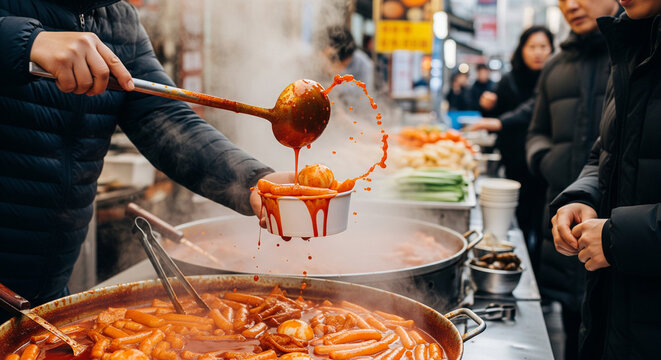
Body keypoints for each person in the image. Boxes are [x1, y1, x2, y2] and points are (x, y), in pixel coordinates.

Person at [0, 0, 291, 317]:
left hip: (44, 294)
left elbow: (164, 119)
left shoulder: (119, 21)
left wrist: (253, 179)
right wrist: (25, 41)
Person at [549, 0, 661, 358]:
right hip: (615, 307)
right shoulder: (632, 44)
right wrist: (581, 196)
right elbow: (607, 152)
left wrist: (616, 238)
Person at [525, 1, 620, 359]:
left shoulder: (630, 56)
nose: (572, 5)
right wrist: (548, 163)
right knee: (571, 329)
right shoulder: (555, 68)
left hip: (621, 240)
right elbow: (536, 132)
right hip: (568, 221)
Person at [468, 27, 554, 251]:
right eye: (532, 46)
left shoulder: (555, 77)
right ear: (522, 49)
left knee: (543, 222)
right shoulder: (509, 80)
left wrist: (499, 121)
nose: (538, 52)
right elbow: (495, 117)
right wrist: (487, 106)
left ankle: (536, 264)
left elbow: (532, 110)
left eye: (543, 47)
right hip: (515, 162)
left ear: (552, 49)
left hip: (545, 162)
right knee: (518, 219)